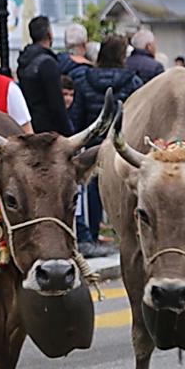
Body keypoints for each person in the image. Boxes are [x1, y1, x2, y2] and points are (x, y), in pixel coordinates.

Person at [70, 34, 143, 258]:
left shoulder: (84, 80)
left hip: (94, 145)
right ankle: (129, 234)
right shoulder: (133, 82)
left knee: (92, 190)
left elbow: (77, 115)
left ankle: (91, 236)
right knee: (128, 190)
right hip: (124, 146)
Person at [17, 15, 73, 135]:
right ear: (49, 34)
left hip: (30, 125)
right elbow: (56, 103)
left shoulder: (24, 61)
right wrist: (67, 132)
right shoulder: (48, 63)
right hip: (48, 130)